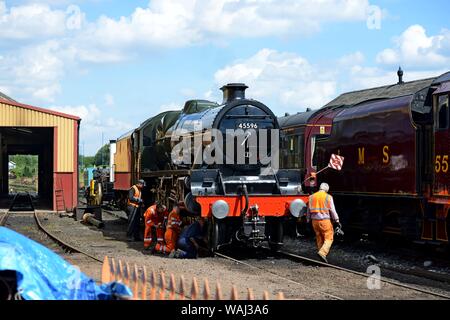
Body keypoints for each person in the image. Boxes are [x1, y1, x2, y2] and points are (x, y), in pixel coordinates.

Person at [306, 182, 342, 263]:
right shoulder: (328, 197)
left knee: (319, 237)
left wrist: (308, 220)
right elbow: (332, 210)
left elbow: (308, 210)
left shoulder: (311, 197)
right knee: (329, 238)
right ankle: (322, 253)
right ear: (326, 190)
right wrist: (337, 220)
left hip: (314, 222)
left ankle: (320, 255)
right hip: (325, 221)